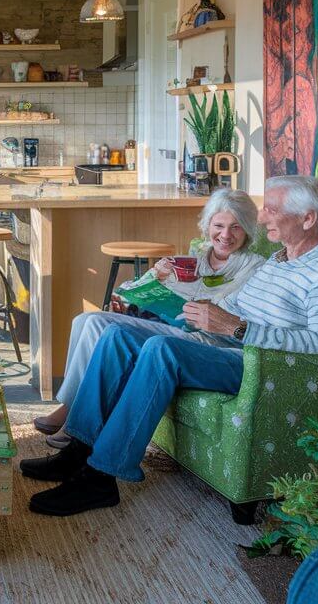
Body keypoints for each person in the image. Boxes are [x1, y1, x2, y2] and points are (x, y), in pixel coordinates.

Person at [21, 175, 318, 517]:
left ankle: (101, 476)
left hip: (258, 360)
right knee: (116, 337)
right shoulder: (279, 260)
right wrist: (206, 314)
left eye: (271, 210)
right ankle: (78, 450)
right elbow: (238, 308)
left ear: (308, 218)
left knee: (161, 349)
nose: (261, 218)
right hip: (224, 341)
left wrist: (236, 327)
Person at [32, 188, 265, 440]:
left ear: (248, 229)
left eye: (236, 227)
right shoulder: (193, 259)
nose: (225, 235)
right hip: (166, 324)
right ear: (208, 224)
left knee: (101, 324)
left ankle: (73, 417)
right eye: (219, 225)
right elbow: (137, 292)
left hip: (200, 339)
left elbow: (234, 316)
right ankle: (70, 407)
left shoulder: (255, 269)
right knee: (85, 320)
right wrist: (155, 276)